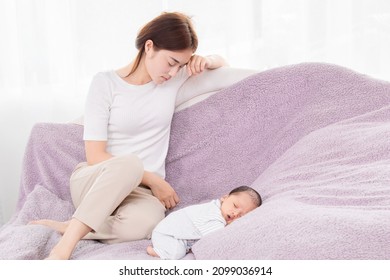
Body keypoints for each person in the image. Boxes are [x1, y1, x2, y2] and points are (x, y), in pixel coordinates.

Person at [30, 11, 227, 260]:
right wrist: (155, 180)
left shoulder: (172, 80)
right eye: (171, 62)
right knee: (130, 162)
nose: (174, 71)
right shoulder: (105, 84)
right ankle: (63, 249)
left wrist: (206, 60)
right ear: (149, 46)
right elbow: (95, 155)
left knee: (146, 225)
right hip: (97, 180)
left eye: (181, 65)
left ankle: (70, 226)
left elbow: (224, 66)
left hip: (140, 194)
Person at [146, 186, 262, 260]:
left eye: (241, 216)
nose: (235, 213)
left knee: (182, 249)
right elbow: (214, 238)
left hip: (178, 235)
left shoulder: (218, 211)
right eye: (235, 205)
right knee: (176, 253)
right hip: (166, 234)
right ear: (225, 198)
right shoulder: (214, 214)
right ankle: (155, 251)